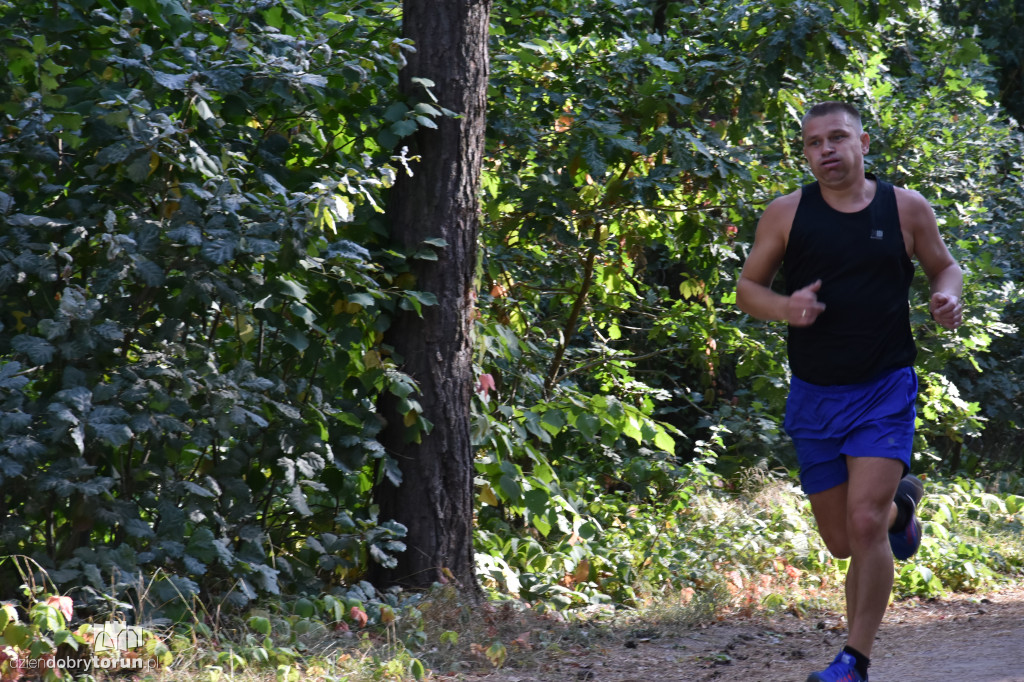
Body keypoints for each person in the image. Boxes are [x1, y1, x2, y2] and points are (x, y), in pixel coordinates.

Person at [736, 101, 963, 682]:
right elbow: (747, 290)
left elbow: (945, 267)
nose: (826, 151)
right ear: (806, 153)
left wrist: (947, 296)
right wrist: (786, 307)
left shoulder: (905, 208)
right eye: (814, 143)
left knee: (862, 524)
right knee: (842, 539)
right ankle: (900, 512)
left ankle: (853, 661)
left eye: (837, 138)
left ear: (864, 142)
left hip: (884, 386)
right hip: (815, 394)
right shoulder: (787, 215)